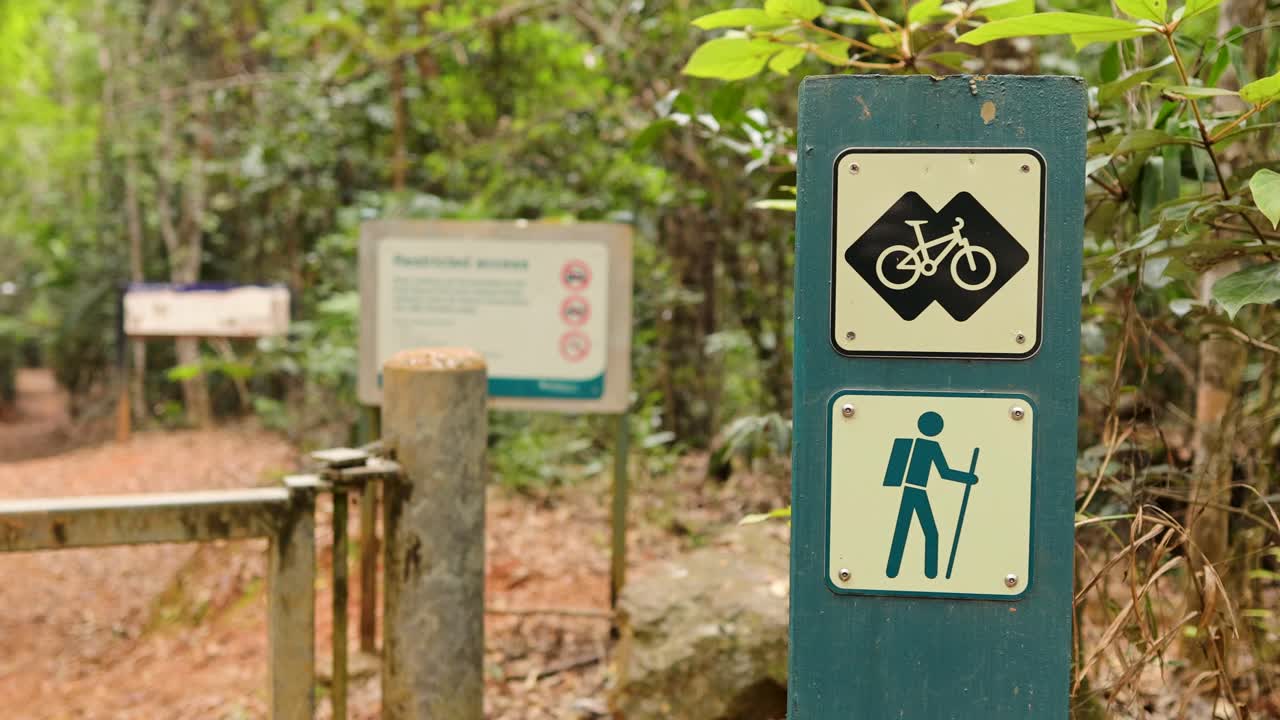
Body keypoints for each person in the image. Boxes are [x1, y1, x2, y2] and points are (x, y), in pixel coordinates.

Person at [882, 411, 978, 579]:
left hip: (909, 491)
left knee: (902, 531)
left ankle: (892, 571)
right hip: (916, 492)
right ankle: (930, 574)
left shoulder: (904, 443)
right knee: (930, 533)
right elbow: (945, 472)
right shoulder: (930, 446)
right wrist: (968, 478)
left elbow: (892, 475)